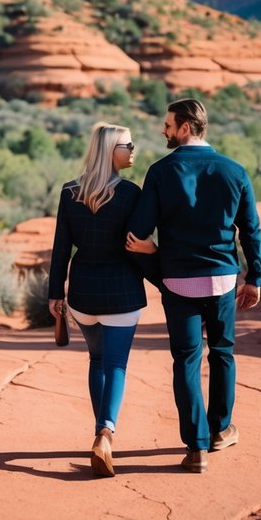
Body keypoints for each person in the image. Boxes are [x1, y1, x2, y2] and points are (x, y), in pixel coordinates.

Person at [126, 97, 261, 473]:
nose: (164, 130)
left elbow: (136, 236)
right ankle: (221, 430)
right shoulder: (234, 171)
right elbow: (250, 230)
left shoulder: (160, 172)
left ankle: (196, 447)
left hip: (178, 281)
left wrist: (159, 267)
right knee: (222, 353)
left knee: (186, 359)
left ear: (185, 127)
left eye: (168, 124)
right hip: (222, 278)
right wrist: (255, 277)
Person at [48, 121, 152, 478]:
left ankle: (99, 432)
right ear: (111, 150)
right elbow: (137, 247)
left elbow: (61, 247)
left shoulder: (69, 191)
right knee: (116, 365)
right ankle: (105, 434)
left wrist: (54, 293)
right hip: (121, 291)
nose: (133, 150)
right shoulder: (130, 193)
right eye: (128, 144)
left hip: (82, 294)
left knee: (96, 359)